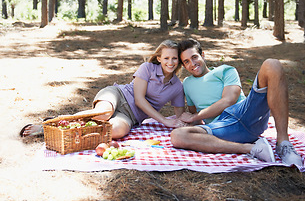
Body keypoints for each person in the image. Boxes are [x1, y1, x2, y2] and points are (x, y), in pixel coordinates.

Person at [171, 38, 303, 166]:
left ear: (203, 55)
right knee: (177, 136)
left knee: (272, 64)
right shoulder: (187, 84)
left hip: (246, 113)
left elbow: (228, 100)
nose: (192, 63)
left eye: (194, 57)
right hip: (222, 128)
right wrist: (187, 121)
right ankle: (252, 148)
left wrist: (195, 116)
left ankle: (284, 144)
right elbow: (197, 117)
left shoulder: (225, 70)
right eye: (186, 61)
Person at [20, 40, 186, 139]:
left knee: (116, 130)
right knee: (102, 114)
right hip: (118, 96)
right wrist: (164, 121)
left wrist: (193, 120)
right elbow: (139, 100)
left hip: (129, 116)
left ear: (179, 61)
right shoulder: (147, 68)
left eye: (174, 58)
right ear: (159, 58)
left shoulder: (177, 87)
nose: (170, 62)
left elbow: (180, 116)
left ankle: (68, 131)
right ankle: (49, 125)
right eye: (166, 58)